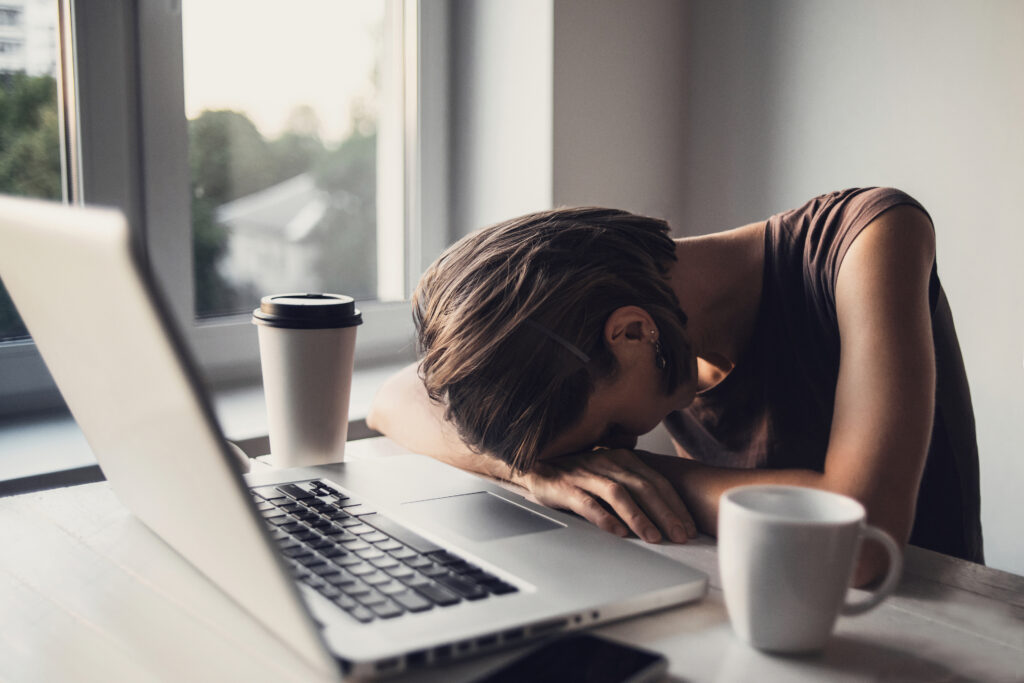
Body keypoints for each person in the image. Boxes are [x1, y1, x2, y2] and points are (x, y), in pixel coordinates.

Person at [367, 187, 983, 586]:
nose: (615, 450)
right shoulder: (640, 331)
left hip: (938, 628)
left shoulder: (871, 238)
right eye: (608, 447)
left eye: (609, 436)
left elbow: (860, 543)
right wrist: (533, 471)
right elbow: (392, 399)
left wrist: (635, 473)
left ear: (632, 332)